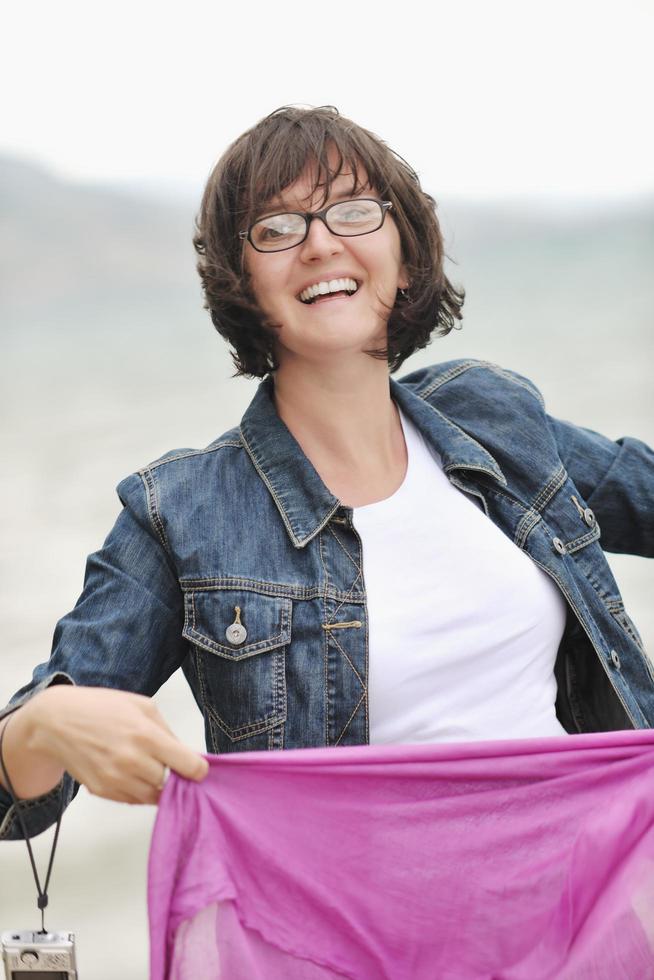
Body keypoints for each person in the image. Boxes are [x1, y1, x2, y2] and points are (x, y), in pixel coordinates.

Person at [1, 104, 653, 842]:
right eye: (277, 229)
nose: (318, 244)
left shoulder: (494, 418)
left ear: (404, 256)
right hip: (351, 941)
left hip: (583, 909)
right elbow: (14, 799)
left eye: (352, 211)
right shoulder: (183, 512)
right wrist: (42, 727)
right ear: (240, 281)